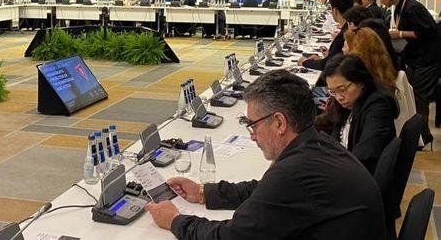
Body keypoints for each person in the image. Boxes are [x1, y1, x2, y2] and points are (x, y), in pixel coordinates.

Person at [145, 70, 386, 240]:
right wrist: (203, 193)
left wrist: (175, 221)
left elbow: (232, 236)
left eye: (253, 125)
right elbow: (265, 192)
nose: (252, 136)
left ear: (279, 123)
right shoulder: (315, 143)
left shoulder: (296, 171)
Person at [375, 0, 441, 146]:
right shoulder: (401, 6)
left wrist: (400, 34)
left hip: (427, 59)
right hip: (416, 57)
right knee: (411, 93)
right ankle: (417, 135)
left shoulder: (412, 8)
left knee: (419, 97)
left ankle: (423, 136)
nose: (380, 2)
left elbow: (428, 32)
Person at [323, 54, 398, 175]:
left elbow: (366, 153)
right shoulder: (348, 104)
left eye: (342, 89)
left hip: (359, 177)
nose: (339, 97)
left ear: (361, 82)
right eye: (333, 92)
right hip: (345, 167)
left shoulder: (378, 107)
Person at [299, 0, 353, 71]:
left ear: (335, 10)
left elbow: (326, 65)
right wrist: (326, 57)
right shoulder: (347, 27)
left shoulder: (344, 34)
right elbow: (333, 59)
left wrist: (304, 62)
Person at [343, 27, 397, 93]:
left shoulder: (365, 84)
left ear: (355, 52)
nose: (343, 49)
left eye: (344, 47)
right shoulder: (382, 71)